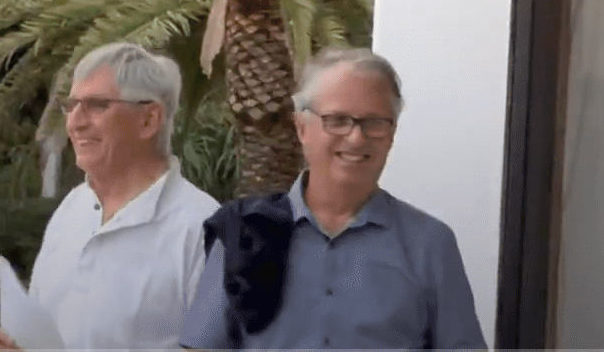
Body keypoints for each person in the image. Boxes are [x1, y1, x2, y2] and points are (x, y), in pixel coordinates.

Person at [179, 47, 486, 351]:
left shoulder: (429, 244)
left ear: (392, 134)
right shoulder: (245, 231)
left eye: (375, 122)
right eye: (338, 119)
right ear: (301, 127)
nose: (356, 137)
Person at [0, 42, 219, 352]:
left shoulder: (204, 230)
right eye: (71, 105)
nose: (75, 122)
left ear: (149, 120)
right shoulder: (71, 210)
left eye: (97, 105)